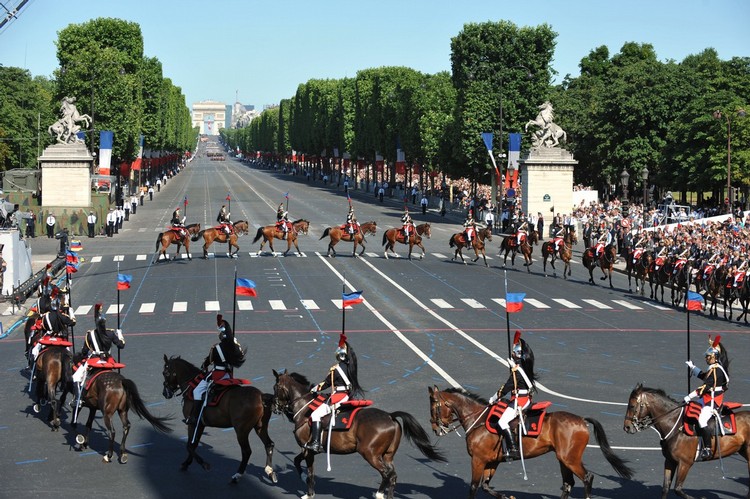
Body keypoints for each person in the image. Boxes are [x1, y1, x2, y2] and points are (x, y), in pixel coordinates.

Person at [304, 332, 364, 453]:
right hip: (347, 396)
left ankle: (316, 443)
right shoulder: (351, 367)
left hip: (338, 397)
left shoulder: (335, 369)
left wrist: (314, 389)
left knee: (315, 415)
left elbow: (325, 384)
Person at [184, 315, 246, 425]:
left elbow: (209, 361)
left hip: (217, 373)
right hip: (228, 375)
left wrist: (204, 365)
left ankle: (194, 417)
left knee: (197, 391)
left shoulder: (216, 348)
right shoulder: (236, 346)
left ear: (221, 336)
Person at [488, 330, 537, 460]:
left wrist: (493, 398)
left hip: (520, 400)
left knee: (502, 422)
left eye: (514, 351)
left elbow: (506, 387)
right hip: (523, 397)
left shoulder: (517, 370)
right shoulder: (521, 367)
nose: (512, 352)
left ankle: (513, 448)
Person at [684, 335, 729, 461]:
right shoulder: (713, 369)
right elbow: (705, 376)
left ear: (714, 356)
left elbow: (704, 387)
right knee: (692, 408)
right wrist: (693, 367)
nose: (706, 358)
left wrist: (689, 396)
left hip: (713, 401)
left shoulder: (716, 371)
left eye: (708, 356)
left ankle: (707, 448)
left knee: (702, 420)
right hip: (707, 397)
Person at [72, 304, 125, 400]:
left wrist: (83, 355)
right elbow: (121, 345)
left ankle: (78, 400)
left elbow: (85, 351)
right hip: (108, 360)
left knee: (76, 377)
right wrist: (120, 334)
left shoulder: (90, 334)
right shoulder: (111, 333)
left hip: (94, 360)